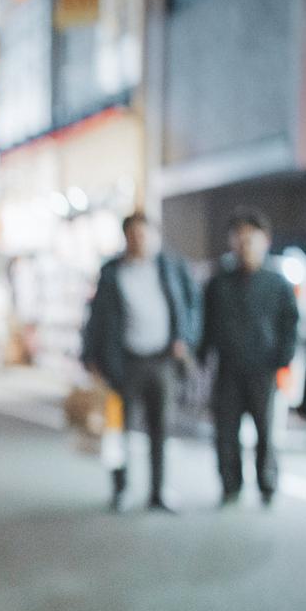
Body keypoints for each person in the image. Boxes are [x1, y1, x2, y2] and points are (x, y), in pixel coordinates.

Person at [81, 212, 199, 512]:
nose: (140, 240)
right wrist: (91, 357)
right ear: (126, 238)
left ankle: (158, 491)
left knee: (161, 428)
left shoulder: (171, 267)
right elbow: (96, 319)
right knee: (118, 430)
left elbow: (191, 305)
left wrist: (184, 338)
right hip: (124, 362)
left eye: (144, 234)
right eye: (133, 234)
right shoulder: (111, 273)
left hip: (162, 360)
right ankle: (121, 489)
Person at [198, 206, 299, 506]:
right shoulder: (219, 283)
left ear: (265, 240)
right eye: (238, 239)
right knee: (225, 431)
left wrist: (283, 358)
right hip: (227, 368)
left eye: (250, 238)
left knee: (265, 431)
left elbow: (290, 324)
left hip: (263, 368)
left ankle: (267, 483)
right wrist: (202, 357)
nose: (244, 245)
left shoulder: (277, 284)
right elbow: (207, 324)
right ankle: (230, 484)